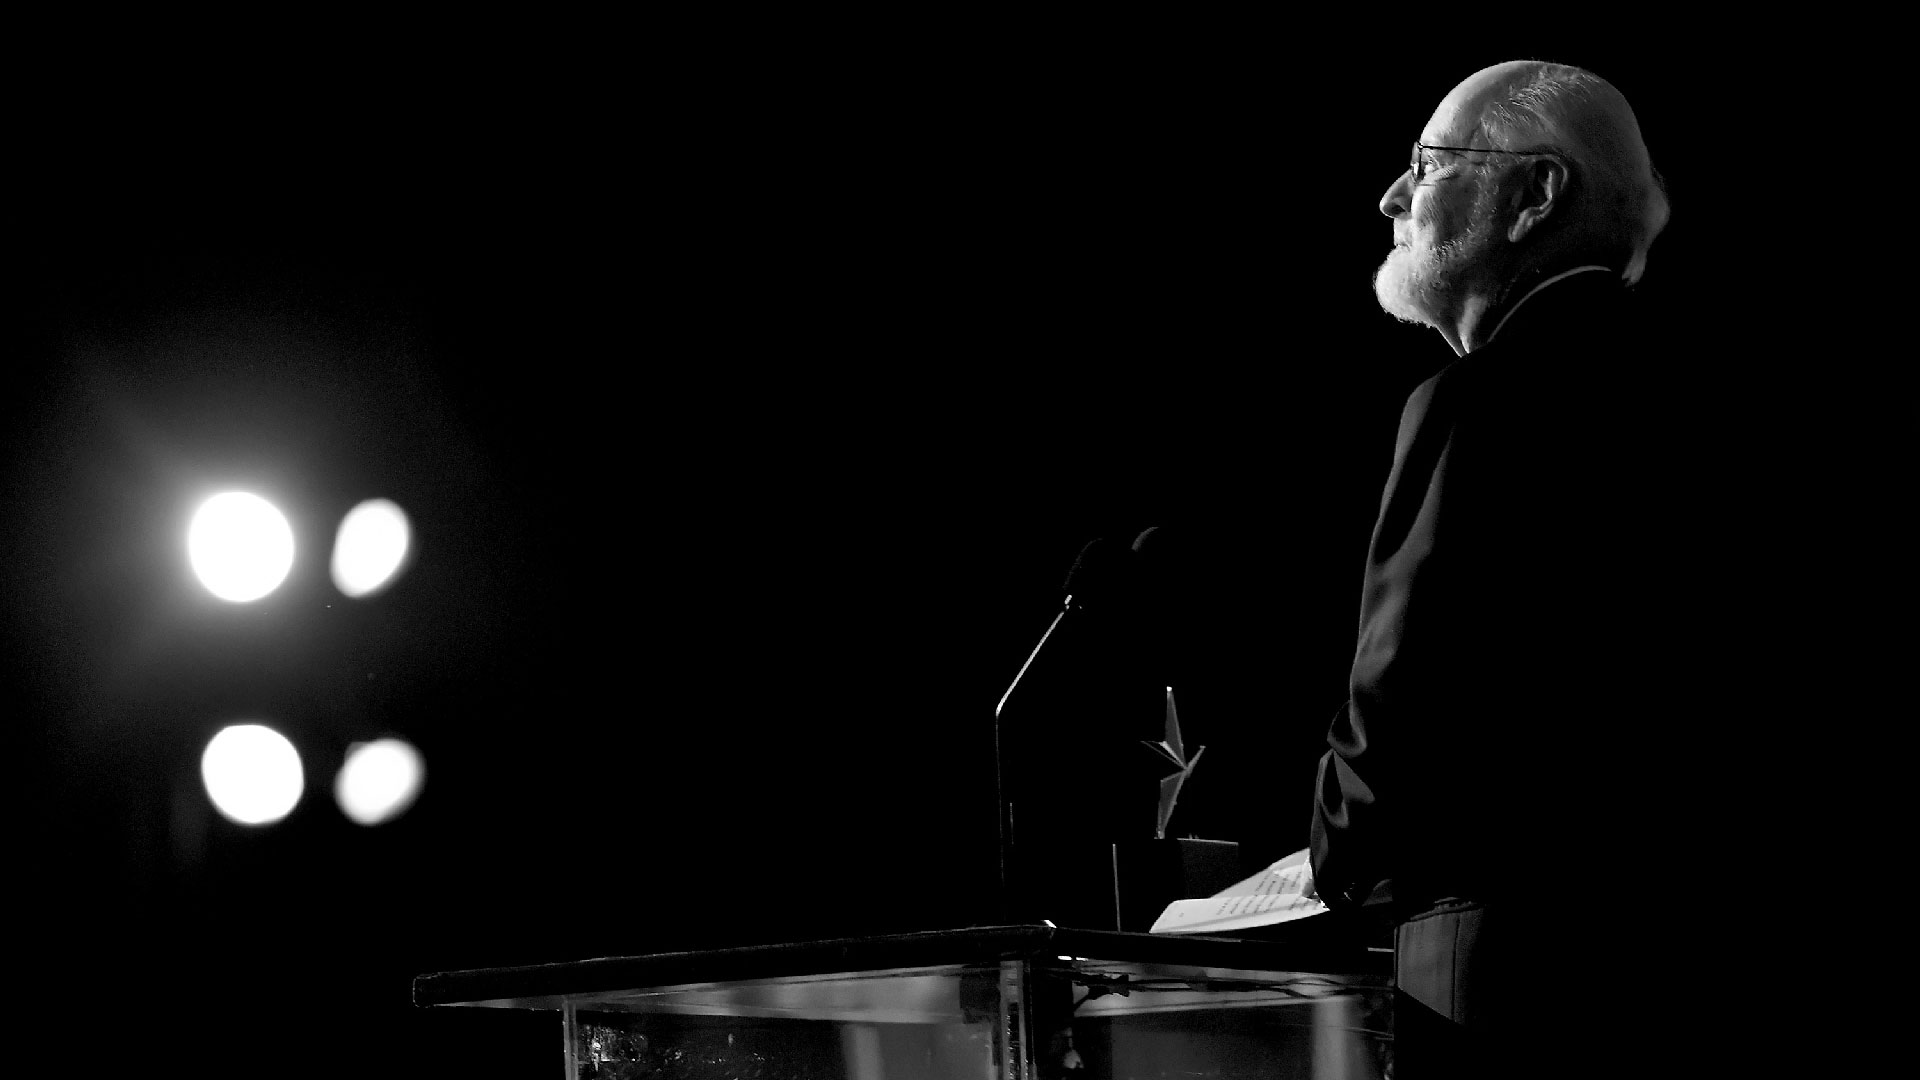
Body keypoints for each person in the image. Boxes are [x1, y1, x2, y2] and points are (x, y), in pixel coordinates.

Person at [1305, 61, 1734, 1076]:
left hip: (1508, 988)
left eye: (1429, 162)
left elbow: (1395, 737)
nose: (1393, 196)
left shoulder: (1477, 403)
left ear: (1535, 196)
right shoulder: (1727, 402)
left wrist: (1333, 858)